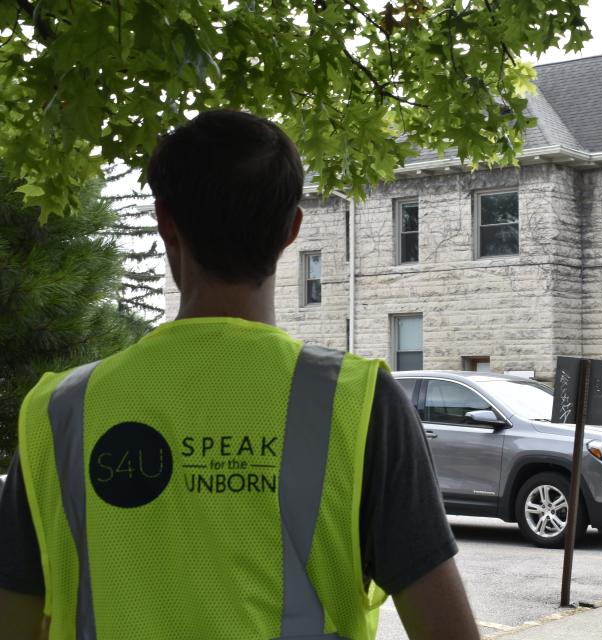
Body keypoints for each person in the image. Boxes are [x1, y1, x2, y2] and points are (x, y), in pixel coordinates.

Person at [0, 110, 479, 640]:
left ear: (166, 222)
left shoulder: (60, 411)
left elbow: (15, 620)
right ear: (291, 229)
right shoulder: (358, 402)